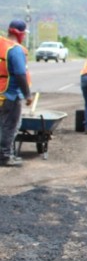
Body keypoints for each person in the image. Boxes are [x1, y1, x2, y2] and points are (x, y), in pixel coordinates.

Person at [0, 19, 34, 167]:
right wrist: (27, 95)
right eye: (24, 34)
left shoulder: (2, 44)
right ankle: (5, 157)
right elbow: (20, 74)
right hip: (11, 94)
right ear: (20, 33)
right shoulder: (16, 50)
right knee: (10, 126)